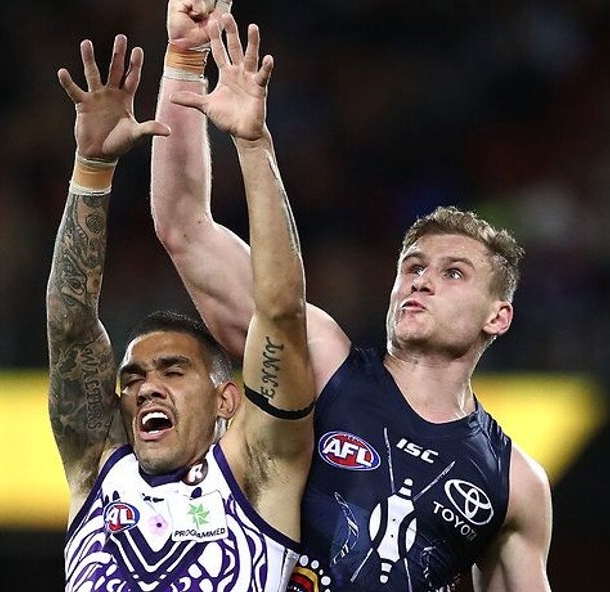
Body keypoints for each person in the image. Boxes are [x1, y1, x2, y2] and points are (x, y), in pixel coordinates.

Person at [150, 3, 554, 591]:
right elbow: (184, 226)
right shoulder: (321, 362)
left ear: (499, 315)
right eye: (412, 266)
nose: (421, 280)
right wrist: (185, 57)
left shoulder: (514, 483)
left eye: (453, 273)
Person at [47, 23, 314, 592]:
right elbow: (70, 328)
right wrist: (91, 169)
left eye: (173, 371)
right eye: (133, 378)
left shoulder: (258, 475)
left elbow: (281, 315)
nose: (147, 387)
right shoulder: (98, 474)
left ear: (226, 399)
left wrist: (253, 144)